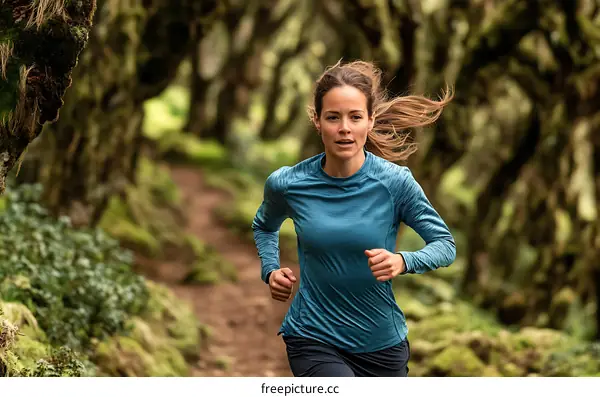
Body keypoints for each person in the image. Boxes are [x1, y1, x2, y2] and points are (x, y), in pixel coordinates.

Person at [251, 60, 456, 377]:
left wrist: (403, 261)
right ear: (317, 121)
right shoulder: (288, 184)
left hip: (382, 344)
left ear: (370, 121)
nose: (344, 127)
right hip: (312, 335)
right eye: (333, 117)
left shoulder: (395, 183)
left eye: (355, 117)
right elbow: (265, 225)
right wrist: (270, 269)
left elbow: (444, 244)